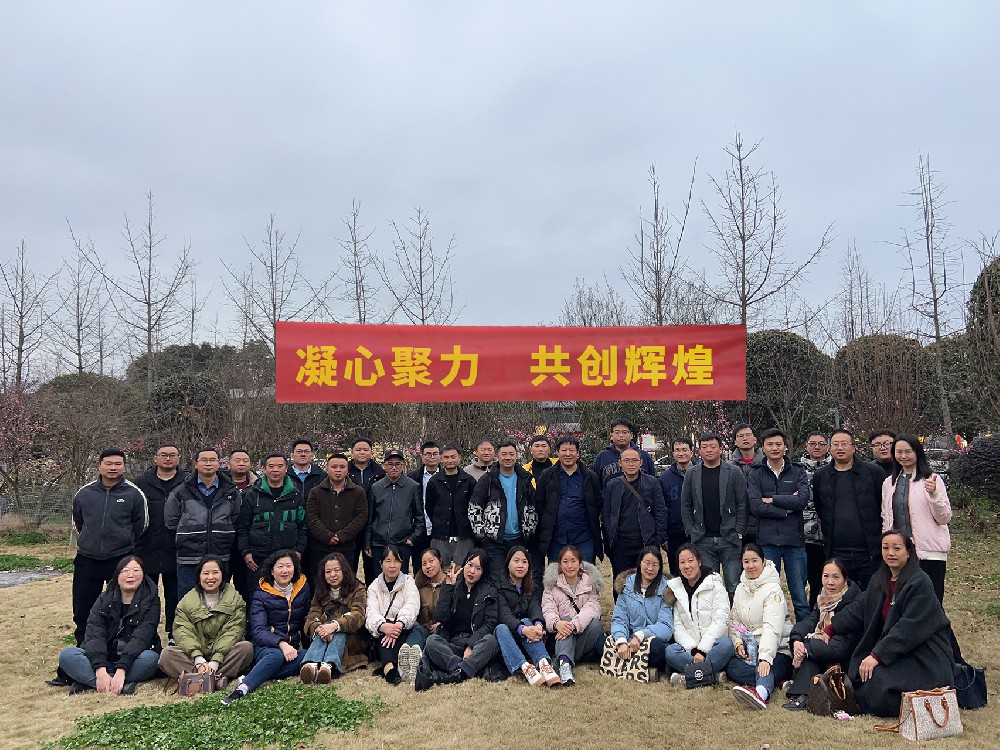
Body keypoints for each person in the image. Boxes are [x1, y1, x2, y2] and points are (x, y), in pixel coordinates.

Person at [815, 531, 954, 717]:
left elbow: (908, 629)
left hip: (924, 656)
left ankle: (854, 702)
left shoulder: (920, 582)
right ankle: (845, 698)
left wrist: (877, 655)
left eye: (897, 548)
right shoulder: (880, 579)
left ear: (908, 552)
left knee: (879, 680)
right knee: (857, 671)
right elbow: (859, 608)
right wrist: (831, 629)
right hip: (895, 652)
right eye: (885, 548)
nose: (891, 553)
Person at [70, 449, 149, 648]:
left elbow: (141, 525)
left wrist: (123, 541)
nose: (113, 468)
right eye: (108, 463)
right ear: (99, 466)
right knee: (83, 605)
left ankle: (118, 643)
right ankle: (83, 643)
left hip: (120, 558)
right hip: (88, 558)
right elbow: (79, 522)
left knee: (120, 603)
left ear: (124, 467)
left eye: (117, 464)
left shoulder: (134, 494)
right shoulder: (84, 493)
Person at [58, 555, 161, 695]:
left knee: (152, 659)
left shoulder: (151, 600)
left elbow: (142, 637)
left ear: (143, 575)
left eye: (136, 571)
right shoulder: (104, 599)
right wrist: (100, 669)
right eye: (125, 571)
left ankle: (92, 682)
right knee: (68, 655)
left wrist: (122, 669)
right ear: (117, 575)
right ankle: (109, 682)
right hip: (105, 657)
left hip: (133, 658)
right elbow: (95, 634)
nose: (131, 575)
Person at [220, 549, 311, 705]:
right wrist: (281, 644)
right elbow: (258, 631)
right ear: (272, 570)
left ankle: (260, 673)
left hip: (292, 648)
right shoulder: (261, 594)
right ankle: (243, 688)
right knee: (276, 656)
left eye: (288, 566)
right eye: (280, 566)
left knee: (308, 656)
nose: (285, 570)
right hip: (266, 647)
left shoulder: (303, 587)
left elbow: (305, 618)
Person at [747, 428, 811, 620]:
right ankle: (773, 632)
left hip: (794, 541)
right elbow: (756, 506)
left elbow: (802, 501)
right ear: (763, 448)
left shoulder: (798, 471)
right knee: (768, 593)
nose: (774, 448)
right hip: (767, 542)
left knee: (799, 595)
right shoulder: (755, 473)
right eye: (770, 444)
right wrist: (785, 509)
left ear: (785, 447)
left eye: (778, 444)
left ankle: (802, 633)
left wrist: (772, 499)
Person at [158, 555, 254, 682]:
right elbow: (183, 632)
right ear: (199, 576)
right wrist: (198, 659)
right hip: (195, 656)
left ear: (223, 575)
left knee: (246, 648)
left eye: (215, 572)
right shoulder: (186, 602)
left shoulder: (236, 600)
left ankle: (200, 678)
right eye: (206, 573)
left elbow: (233, 632)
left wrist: (215, 661)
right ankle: (214, 678)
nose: (210, 577)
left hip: (224, 655)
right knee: (167, 655)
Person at [781, 557, 861, 710]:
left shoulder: (853, 602)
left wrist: (807, 647)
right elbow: (811, 621)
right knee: (806, 650)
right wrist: (797, 639)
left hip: (844, 659)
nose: (830, 582)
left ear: (845, 579)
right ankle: (800, 692)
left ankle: (801, 695)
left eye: (836, 577)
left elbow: (840, 647)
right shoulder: (823, 597)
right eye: (826, 576)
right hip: (823, 648)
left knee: (813, 656)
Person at [881, 434, 952, 602]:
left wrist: (934, 495)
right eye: (899, 452)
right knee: (902, 600)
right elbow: (886, 517)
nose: (903, 456)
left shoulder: (932, 479)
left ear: (917, 452)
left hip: (929, 552)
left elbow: (944, 517)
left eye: (908, 451)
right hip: (900, 552)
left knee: (930, 601)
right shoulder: (889, 483)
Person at [165, 447, 242, 600]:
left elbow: (235, 518)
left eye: (212, 460)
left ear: (219, 464)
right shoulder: (181, 491)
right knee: (188, 600)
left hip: (220, 555)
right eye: (204, 460)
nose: (208, 463)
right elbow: (171, 521)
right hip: (189, 557)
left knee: (219, 600)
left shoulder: (231, 492)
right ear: (196, 464)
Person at [812, 429, 884, 590]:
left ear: (854, 447)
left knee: (872, 596)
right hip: (837, 551)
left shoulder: (873, 473)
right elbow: (820, 508)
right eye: (835, 444)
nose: (840, 448)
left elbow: (882, 506)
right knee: (842, 596)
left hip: (869, 551)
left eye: (844, 444)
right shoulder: (821, 476)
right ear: (829, 448)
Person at [726, 544, 794, 710]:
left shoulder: (773, 590)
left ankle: (761, 693)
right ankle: (776, 680)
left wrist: (765, 658)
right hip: (752, 651)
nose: (750, 566)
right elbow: (734, 620)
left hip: (778, 651)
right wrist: (738, 643)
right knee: (732, 667)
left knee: (765, 669)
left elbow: (772, 628)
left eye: (754, 561)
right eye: (746, 562)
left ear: (763, 562)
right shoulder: (741, 588)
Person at [680, 433, 748, 599]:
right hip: (703, 539)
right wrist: (691, 530)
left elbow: (742, 503)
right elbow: (686, 504)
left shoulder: (733, 472)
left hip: (729, 538)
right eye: (704, 447)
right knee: (709, 586)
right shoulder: (692, 474)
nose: (709, 450)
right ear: (699, 451)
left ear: (721, 449)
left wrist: (739, 530)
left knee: (734, 585)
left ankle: (734, 616)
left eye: (713, 446)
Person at [420, 549, 500, 685]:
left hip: (476, 646)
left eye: (478, 568)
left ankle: (458, 672)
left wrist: (471, 645)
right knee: (432, 641)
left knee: (491, 641)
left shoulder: (489, 591)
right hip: (453, 646)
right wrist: (448, 588)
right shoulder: (454, 586)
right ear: (464, 565)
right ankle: (461, 669)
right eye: (470, 565)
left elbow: (490, 623)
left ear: (483, 572)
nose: (472, 571)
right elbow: (440, 617)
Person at [134, 443, 186, 644]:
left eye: (172, 455)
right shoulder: (141, 483)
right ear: (155, 458)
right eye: (163, 455)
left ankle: (175, 634)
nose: (168, 458)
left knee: (176, 595)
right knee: (146, 596)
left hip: (178, 547)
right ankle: (145, 635)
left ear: (179, 458)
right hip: (147, 548)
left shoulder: (187, 481)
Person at [664, 543, 736, 683]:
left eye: (690, 561)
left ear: (699, 562)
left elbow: (721, 621)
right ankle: (710, 675)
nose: (687, 566)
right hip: (690, 651)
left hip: (713, 648)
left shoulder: (715, 585)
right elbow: (678, 626)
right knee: (670, 651)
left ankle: (690, 676)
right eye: (682, 562)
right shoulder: (676, 589)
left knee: (726, 645)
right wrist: (693, 650)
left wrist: (703, 650)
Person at [238, 453, 309, 594]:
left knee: (288, 597)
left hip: (288, 556)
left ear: (286, 468)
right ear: (264, 469)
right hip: (258, 558)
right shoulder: (252, 494)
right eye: (271, 466)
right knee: (258, 596)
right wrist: (246, 552)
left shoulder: (295, 495)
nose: (275, 470)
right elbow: (243, 527)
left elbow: (303, 526)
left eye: (280, 466)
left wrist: (299, 551)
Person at [493, 545, 560, 686]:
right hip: (507, 638)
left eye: (524, 562)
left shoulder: (532, 586)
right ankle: (525, 668)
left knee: (528, 620)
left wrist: (538, 625)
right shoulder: (497, 586)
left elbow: (535, 607)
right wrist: (523, 629)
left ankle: (543, 664)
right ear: (508, 563)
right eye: (516, 561)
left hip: (529, 637)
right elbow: (503, 614)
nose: (520, 565)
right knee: (501, 628)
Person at [468, 441, 537, 575]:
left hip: (519, 540)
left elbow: (532, 508)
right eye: (504, 454)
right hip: (494, 542)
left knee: (518, 576)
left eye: (511, 454)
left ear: (516, 455)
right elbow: (474, 508)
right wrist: (482, 535)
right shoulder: (488, 479)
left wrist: (529, 531)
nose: (508, 457)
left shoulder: (525, 479)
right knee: (496, 577)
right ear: (497, 456)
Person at [541, 544, 605, 685]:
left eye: (573, 561)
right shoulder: (551, 585)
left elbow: (592, 609)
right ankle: (565, 664)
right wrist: (557, 623)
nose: (569, 566)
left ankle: (561, 657)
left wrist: (573, 625)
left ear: (580, 563)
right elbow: (548, 609)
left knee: (596, 624)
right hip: (560, 634)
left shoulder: (591, 583)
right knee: (565, 619)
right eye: (565, 561)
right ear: (560, 565)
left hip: (583, 635)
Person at [300, 552, 369, 682]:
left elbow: (358, 615)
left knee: (338, 627)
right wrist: (319, 628)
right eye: (328, 572)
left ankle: (327, 665)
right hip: (324, 636)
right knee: (325, 625)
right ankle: (311, 667)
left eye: (337, 570)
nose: (332, 575)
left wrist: (334, 626)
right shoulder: (321, 590)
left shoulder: (357, 588)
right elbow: (313, 614)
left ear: (344, 570)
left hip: (352, 640)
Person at [602, 447, 669, 580]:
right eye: (626, 460)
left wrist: (657, 539)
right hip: (621, 544)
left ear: (641, 462)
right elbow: (607, 515)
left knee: (649, 581)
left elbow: (661, 511)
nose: (631, 464)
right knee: (622, 583)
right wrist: (611, 539)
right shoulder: (612, 485)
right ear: (620, 463)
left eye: (634, 460)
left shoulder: (652, 483)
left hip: (646, 542)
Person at [535, 436, 604, 565]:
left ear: (578, 453)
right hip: (556, 538)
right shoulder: (547, 475)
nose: (568, 454)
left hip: (584, 537)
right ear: (557, 452)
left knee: (586, 574)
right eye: (564, 450)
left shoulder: (590, 476)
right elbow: (539, 503)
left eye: (571, 450)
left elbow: (597, 504)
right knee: (556, 575)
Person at [609, 546, 673, 677]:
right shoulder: (627, 585)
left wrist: (640, 635)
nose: (650, 568)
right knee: (602, 643)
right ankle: (642, 668)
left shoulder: (666, 589)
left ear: (660, 567)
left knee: (659, 649)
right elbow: (619, 619)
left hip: (651, 641)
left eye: (655, 565)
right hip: (628, 640)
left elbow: (666, 627)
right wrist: (621, 641)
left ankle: (627, 665)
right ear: (640, 563)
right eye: (647, 563)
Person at [306, 452, 368, 580]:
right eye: (334, 467)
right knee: (319, 582)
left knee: (346, 581)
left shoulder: (358, 492)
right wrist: (327, 536)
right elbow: (312, 517)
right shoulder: (316, 492)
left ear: (347, 469)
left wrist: (341, 536)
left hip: (347, 547)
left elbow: (361, 517)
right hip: (320, 547)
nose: (338, 470)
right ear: (327, 469)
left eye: (342, 467)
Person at [365, 545, 420, 684]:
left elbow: (412, 604)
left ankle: (388, 667)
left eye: (396, 561)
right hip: (382, 632)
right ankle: (389, 668)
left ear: (401, 563)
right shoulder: (373, 587)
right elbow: (371, 612)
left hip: (403, 628)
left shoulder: (408, 581)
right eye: (388, 561)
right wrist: (383, 626)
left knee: (412, 630)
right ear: (381, 564)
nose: (392, 566)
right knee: (383, 635)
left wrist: (399, 624)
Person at [364, 449, 423, 576]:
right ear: (384, 465)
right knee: (379, 580)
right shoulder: (376, 487)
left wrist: (413, 538)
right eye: (390, 464)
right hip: (379, 544)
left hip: (402, 543)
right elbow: (370, 518)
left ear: (403, 465)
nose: (394, 467)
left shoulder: (412, 487)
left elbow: (419, 516)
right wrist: (368, 543)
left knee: (400, 580)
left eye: (398, 464)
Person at [424, 444, 477, 567]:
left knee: (464, 569)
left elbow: (474, 507)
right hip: (440, 535)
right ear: (441, 459)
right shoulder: (434, 482)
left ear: (459, 457)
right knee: (439, 569)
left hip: (464, 535)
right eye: (446, 457)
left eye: (453, 457)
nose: (450, 460)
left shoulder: (469, 481)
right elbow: (429, 508)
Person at [400, 547, 447, 682]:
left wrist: (442, 623)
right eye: (424, 564)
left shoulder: (451, 582)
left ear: (440, 561)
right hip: (424, 628)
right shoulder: (419, 585)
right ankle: (407, 660)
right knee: (416, 630)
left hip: (444, 629)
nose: (428, 566)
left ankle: (418, 665)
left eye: (431, 561)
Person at [799, 432, 831, 608]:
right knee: (809, 579)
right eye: (812, 443)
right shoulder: (797, 469)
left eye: (821, 443)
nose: (817, 447)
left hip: (830, 533)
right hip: (805, 534)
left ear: (827, 447)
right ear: (806, 446)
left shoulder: (835, 467)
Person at [347, 436, 385, 576]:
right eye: (358, 450)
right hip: (349, 525)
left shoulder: (380, 473)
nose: (362, 452)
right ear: (352, 452)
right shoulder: (344, 471)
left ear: (371, 452)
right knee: (348, 567)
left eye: (365, 449)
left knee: (372, 569)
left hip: (373, 526)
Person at [657, 437, 694, 576]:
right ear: (673, 453)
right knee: (677, 574)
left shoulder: (700, 472)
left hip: (699, 533)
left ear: (691, 452)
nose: (681, 453)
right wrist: (663, 536)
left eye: (684, 450)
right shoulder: (664, 478)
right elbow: (661, 508)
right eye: (677, 450)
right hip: (674, 534)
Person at [593, 418, 656, 489]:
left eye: (625, 432)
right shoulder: (602, 457)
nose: (621, 435)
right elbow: (596, 486)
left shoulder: (644, 456)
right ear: (611, 435)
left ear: (631, 435)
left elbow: (652, 483)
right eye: (617, 432)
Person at [407, 440, 441, 564]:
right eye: (428, 454)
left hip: (439, 530)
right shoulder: (412, 477)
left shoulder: (446, 476)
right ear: (422, 456)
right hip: (419, 529)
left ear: (440, 455)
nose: (432, 457)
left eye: (435, 454)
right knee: (419, 564)